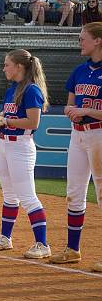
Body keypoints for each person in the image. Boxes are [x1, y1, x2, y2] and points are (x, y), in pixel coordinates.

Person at [0, 49, 51, 259]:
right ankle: (5, 238)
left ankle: (42, 244)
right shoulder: (13, 88)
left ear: (19, 67)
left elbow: (33, 122)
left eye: (7, 64)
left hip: (21, 146)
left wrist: (8, 121)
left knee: (28, 196)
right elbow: (10, 113)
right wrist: (0, 117)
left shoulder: (31, 90)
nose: (4, 68)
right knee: (9, 196)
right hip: (4, 145)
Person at [49, 22, 102, 271]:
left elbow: (85, 108)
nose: (80, 42)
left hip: (99, 135)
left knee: (101, 193)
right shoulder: (79, 71)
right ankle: (73, 249)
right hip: (78, 135)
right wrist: (73, 112)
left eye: (83, 38)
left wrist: (86, 110)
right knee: (74, 191)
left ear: (98, 41)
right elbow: (69, 104)